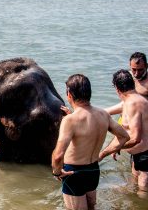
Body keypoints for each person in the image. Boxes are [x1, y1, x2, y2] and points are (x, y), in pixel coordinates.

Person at [52, 74, 129, 210]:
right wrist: (105, 152)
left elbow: (58, 155)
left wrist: (57, 172)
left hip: (73, 173)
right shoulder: (103, 114)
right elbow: (124, 136)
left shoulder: (70, 121)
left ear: (69, 94)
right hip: (93, 170)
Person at [107, 69, 148, 191]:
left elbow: (135, 139)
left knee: (146, 198)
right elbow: (103, 113)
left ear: (117, 88)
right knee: (135, 197)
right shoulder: (127, 102)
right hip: (138, 156)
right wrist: (74, 115)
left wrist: (112, 148)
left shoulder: (134, 103)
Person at [106, 52, 148, 121]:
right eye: (134, 69)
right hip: (123, 119)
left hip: (138, 124)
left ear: (146, 66)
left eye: (140, 70)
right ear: (129, 65)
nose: (136, 74)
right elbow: (124, 103)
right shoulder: (128, 76)